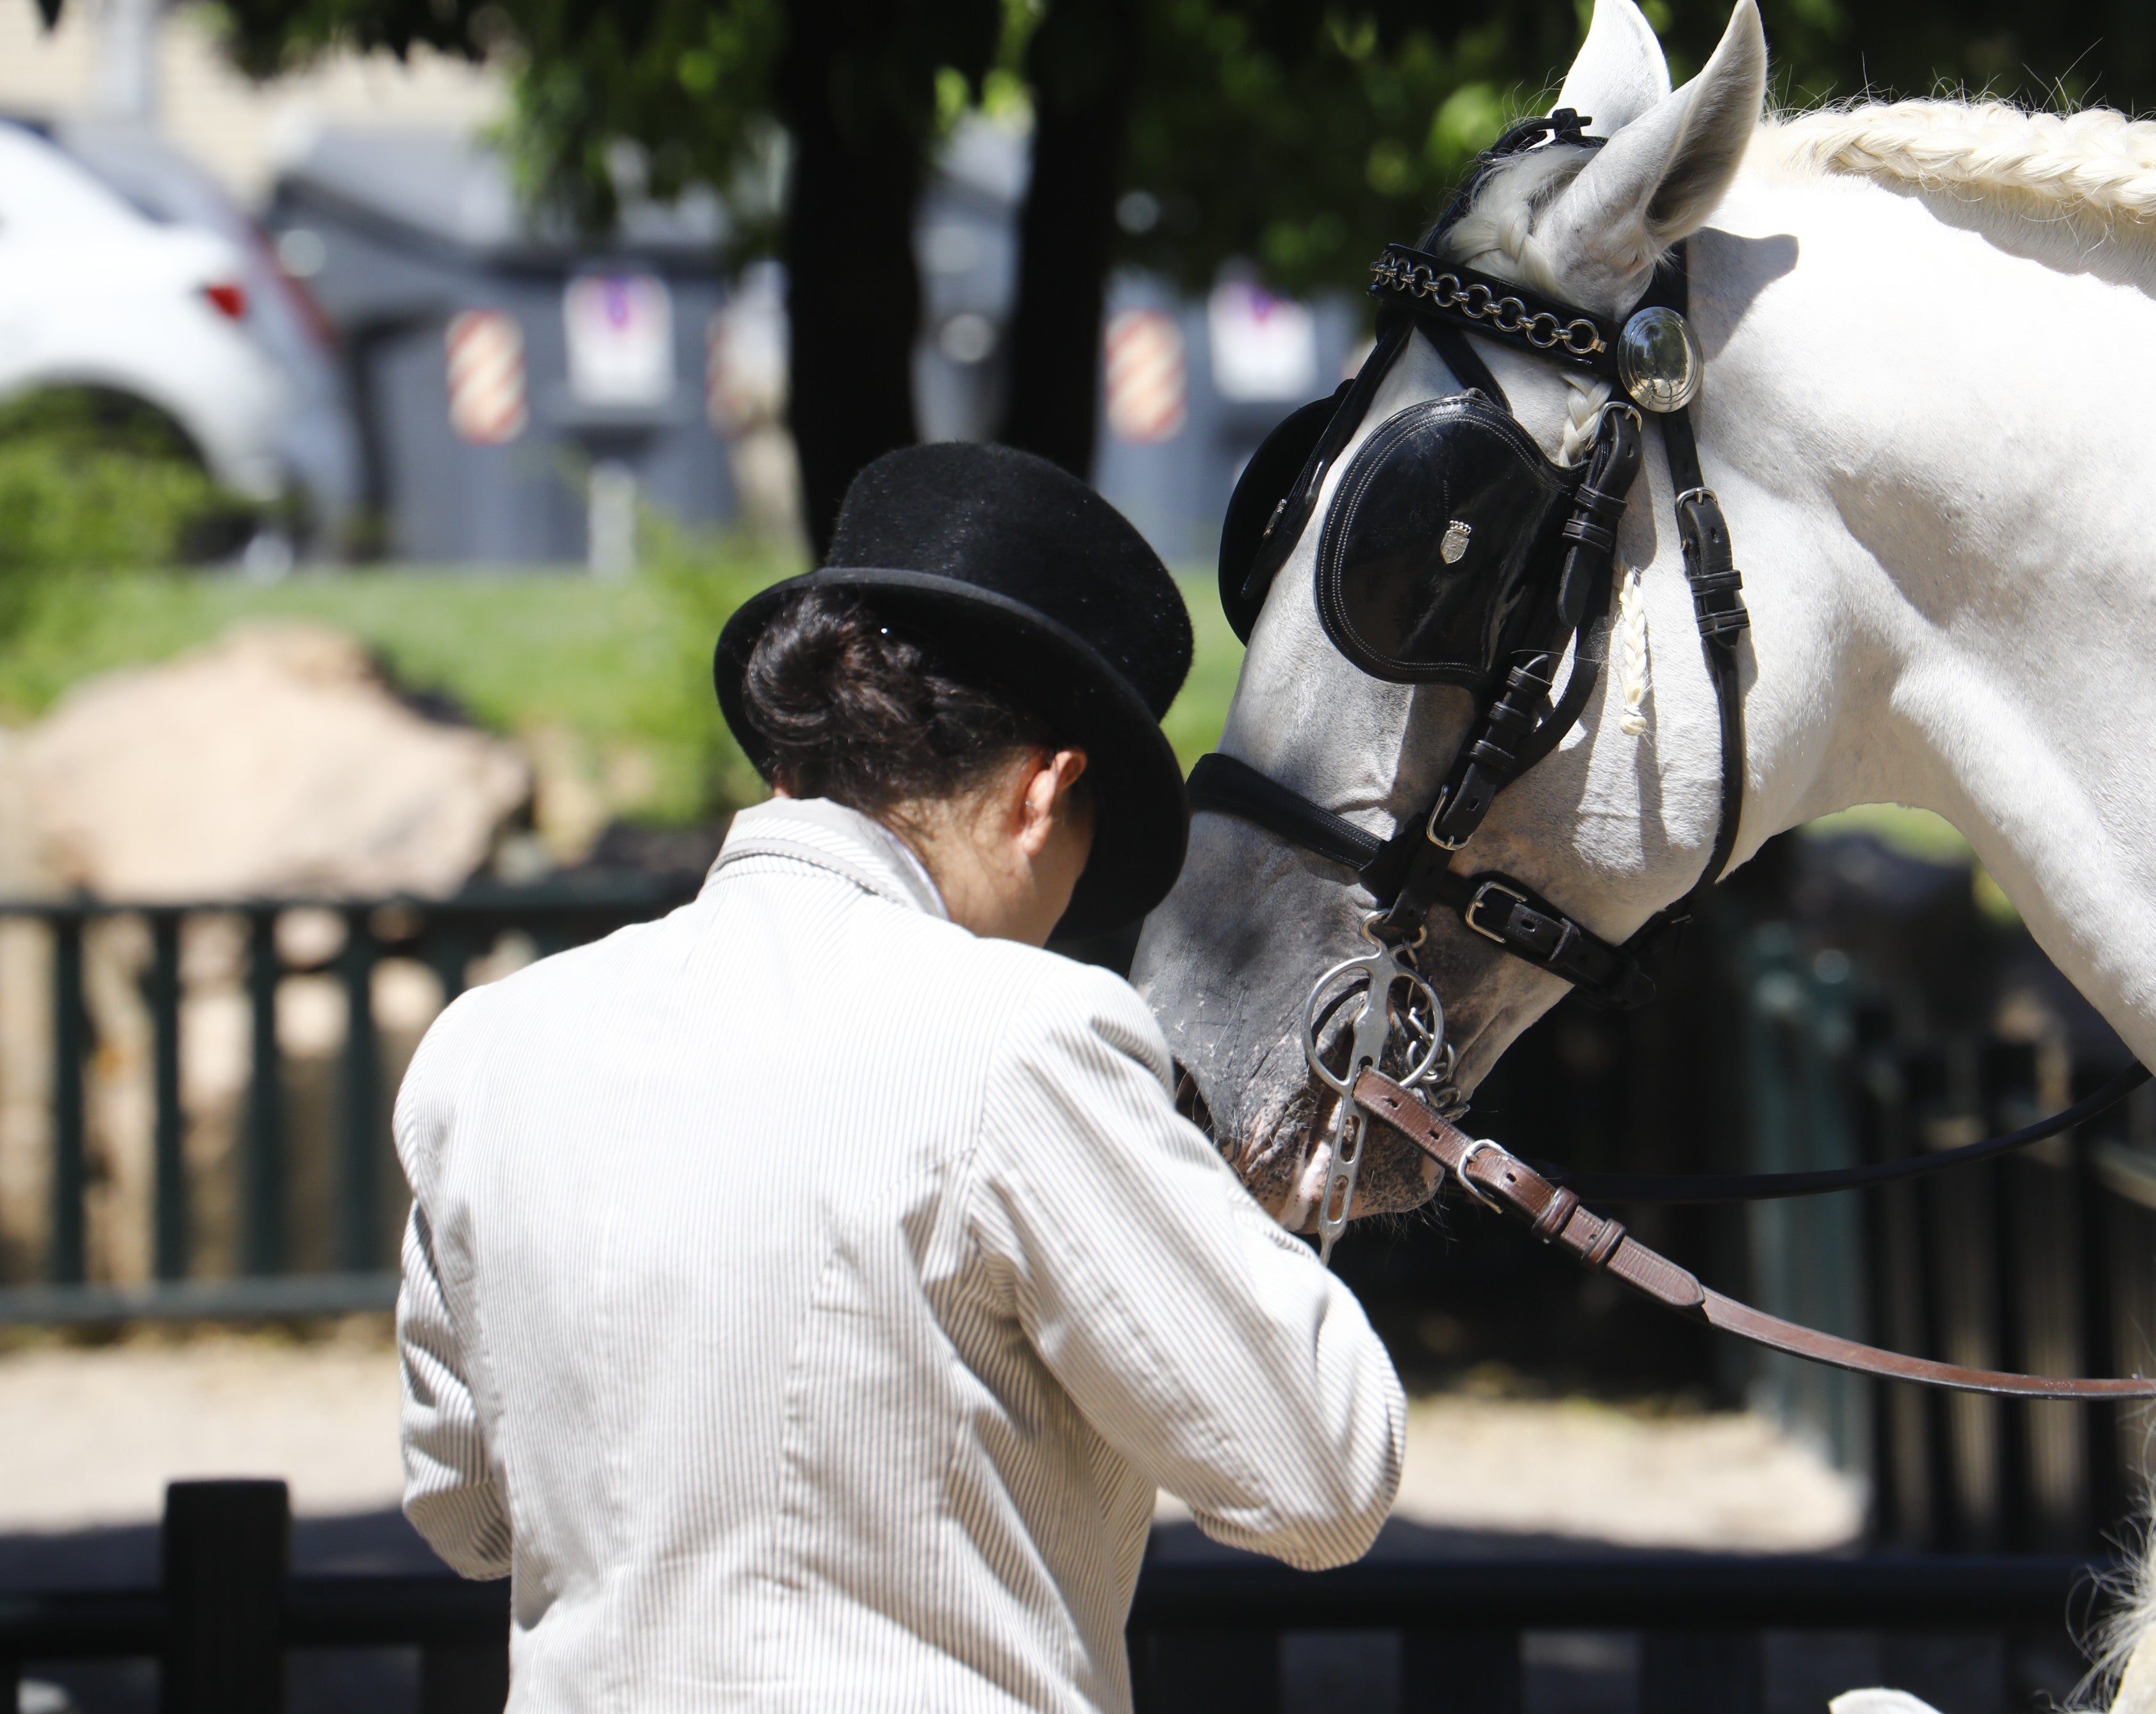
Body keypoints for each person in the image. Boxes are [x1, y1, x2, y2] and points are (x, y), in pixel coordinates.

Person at [394, 442, 1405, 1712]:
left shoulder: (490, 1046)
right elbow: (1321, 1474)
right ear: (1048, 795)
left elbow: (466, 1514)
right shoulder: (1025, 1039)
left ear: (789, 758)